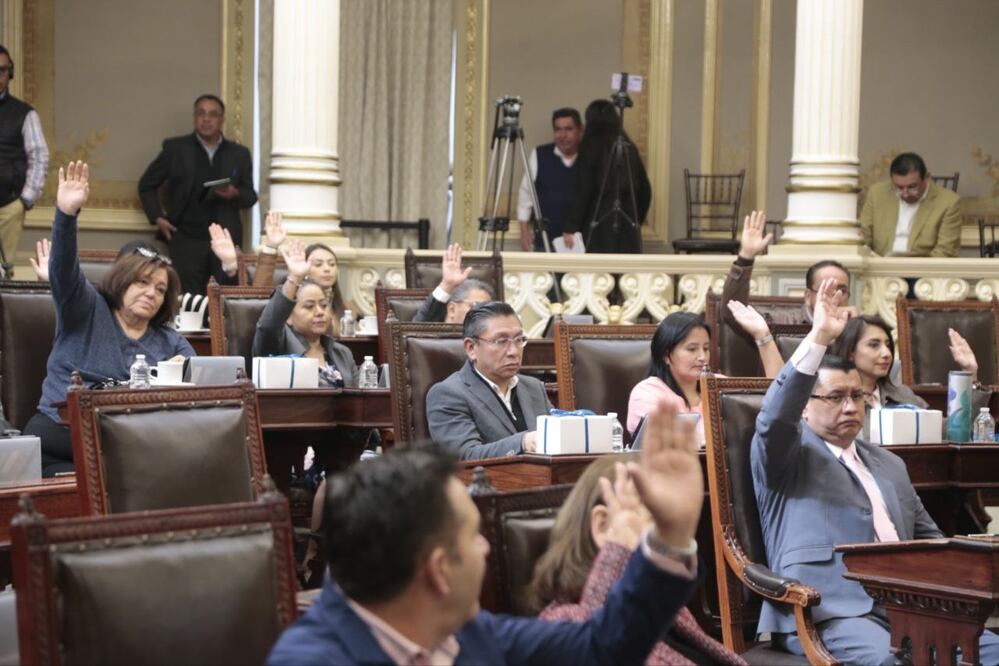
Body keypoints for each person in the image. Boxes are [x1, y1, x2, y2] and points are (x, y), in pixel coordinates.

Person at [268, 399, 705, 665]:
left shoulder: (468, 633)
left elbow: (601, 650)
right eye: (473, 536)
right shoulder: (315, 660)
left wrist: (670, 536)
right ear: (439, 570)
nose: (485, 547)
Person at [751, 278, 999, 663]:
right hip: (827, 612)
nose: (850, 407)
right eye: (835, 397)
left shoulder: (889, 464)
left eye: (857, 397)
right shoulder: (786, 455)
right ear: (804, 405)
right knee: (889, 662)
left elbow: (930, 542)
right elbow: (774, 416)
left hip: (908, 607)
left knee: (992, 650)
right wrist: (818, 338)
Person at [24, 162, 192, 477]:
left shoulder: (169, 340)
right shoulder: (86, 307)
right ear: (122, 280)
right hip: (61, 439)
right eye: (142, 283)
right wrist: (66, 213)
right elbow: (63, 270)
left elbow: (198, 388)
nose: (151, 293)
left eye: (160, 289)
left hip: (129, 445)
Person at [532, 454, 747, 666]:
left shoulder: (658, 600)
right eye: (657, 515)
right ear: (604, 526)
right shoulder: (565, 625)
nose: (675, 536)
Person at [138, 94, 258, 295]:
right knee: (189, 299)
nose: (206, 119)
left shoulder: (239, 154)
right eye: (201, 113)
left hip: (225, 238)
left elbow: (251, 196)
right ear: (194, 117)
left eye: (213, 114)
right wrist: (157, 218)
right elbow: (146, 185)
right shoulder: (175, 149)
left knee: (223, 296)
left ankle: (219, 329)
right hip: (186, 237)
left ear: (222, 120)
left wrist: (234, 193)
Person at [627, 307, 783, 442]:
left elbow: (779, 398)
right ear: (666, 356)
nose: (702, 357)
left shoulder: (719, 386)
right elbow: (665, 445)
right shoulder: (647, 393)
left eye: (706, 348)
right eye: (692, 349)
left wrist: (763, 336)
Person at [426, 302, 552, 460]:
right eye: (501, 341)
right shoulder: (448, 394)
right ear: (471, 348)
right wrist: (523, 442)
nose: (513, 351)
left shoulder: (533, 387)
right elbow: (464, 456)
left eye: (519, 340)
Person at [251, 239, 358, 387]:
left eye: (324, 305)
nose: (320, 312)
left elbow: (359, 400)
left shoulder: (342, 353)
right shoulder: (279, 347)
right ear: (288, 317)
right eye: (309, 306)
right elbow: (269, 326)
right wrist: (295, 277)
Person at [720, 210, 855, 327]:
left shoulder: (854, 326)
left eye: (842, 290)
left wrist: (856, 328)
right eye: (826, 289)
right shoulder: (782, 322)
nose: (836, 296)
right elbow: (733, 315)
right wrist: (746, 257)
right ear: (808, 296)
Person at [243, 212, 354, 335]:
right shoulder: (290, 302)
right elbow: (260, 298)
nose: (327, 269)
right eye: (318, 264)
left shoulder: (347, 307)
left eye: (332, 264)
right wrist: (271, 247)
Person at [564, 99, 651, 254]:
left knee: (599, 276)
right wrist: (636, 217)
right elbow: (645, 189)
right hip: (627, 221)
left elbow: (584, 190)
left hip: (597, 222)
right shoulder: (628, 148)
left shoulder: (589, 146)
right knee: (625, 276)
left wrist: (572, 226)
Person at [0, 44, 49, 267]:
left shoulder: (25, 114)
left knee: (2, 270)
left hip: (8, 207)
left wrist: (24, 200)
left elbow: (39, 157)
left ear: (9, 73)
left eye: (1, 70)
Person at [860, 152, 962, 257]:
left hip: (922, 270)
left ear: (927, 178)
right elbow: (863, 235)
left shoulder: (949, 202)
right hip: (879, 267)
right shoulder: (877, 193)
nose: (905, 194)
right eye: (899, 187)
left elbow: (945, 252)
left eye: (912, 187)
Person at [516, 107, 583, 252]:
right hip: (545, 240)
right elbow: (526, 194)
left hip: (582, 243)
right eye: (558, 129)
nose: (563, 135)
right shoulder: (540, 155)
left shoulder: (589, 156)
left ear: (580, 130)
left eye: (569, 129)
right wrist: (524, 231)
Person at [411, 243, 494, 323]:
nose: (483, 315)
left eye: (488, 309)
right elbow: (416, 330)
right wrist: (447, 285)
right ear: (452, 309)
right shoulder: (428, 334)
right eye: (475, 306)